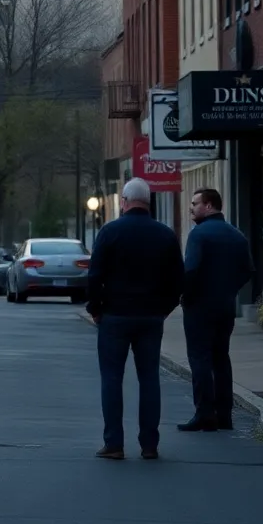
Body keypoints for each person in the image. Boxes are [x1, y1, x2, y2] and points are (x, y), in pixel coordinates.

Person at [86, 177, 185, 461]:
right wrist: (163, 309)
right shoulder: (165, 235)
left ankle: (114, 443)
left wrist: (96, 308)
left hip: (115, 315)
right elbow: (178, 280)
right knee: (149, 379)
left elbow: (94, 275)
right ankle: (149, 444)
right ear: (149, 202)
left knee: (112, 380)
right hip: (151, 316)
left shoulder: (110, 232)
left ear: (125, 202)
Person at [178, 188, 253, 433]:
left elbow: (190, 271)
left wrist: (186, 297)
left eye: (195, 203)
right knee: (221, 359)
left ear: (209, 205)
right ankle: (224, 415)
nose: (191, 208)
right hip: (225, 307)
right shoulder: (237, 235)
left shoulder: (199, 235)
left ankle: (204, 414)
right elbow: (248, 271)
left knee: (200, 359)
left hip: (200, 307)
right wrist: (229, 290)